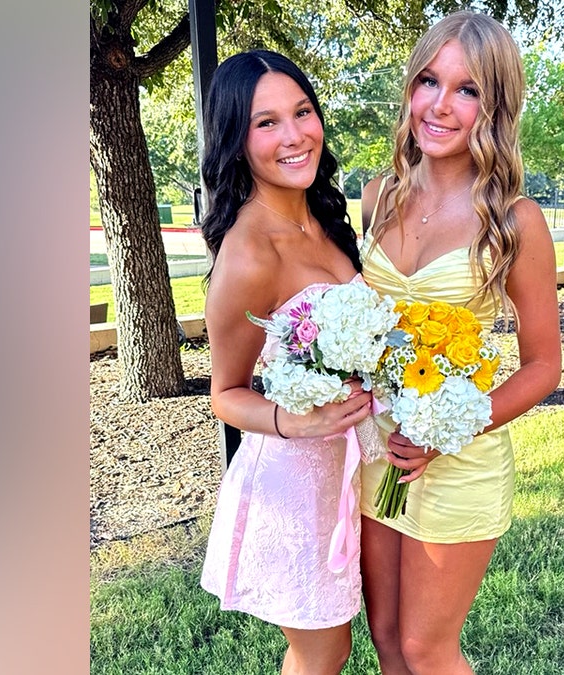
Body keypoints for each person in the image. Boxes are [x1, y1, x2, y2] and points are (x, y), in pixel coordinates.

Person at [357, 11, 562, 674]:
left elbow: (544, 366)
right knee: (386, 636)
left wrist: (447, 429)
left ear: (494, 107)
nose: (440, 105)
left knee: (426, 647)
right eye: (429, 81)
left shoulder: (514, 221)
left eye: (467, 89)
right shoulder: (378, 197)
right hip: (378, 449)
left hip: (460, 456)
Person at [197, 49, 374, 675]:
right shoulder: (249, 253)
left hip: (352, 470)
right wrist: (295, 421)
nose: (295, 135)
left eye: (302, 112)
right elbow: (225, 393)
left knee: (338, 646)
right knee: (323, 653)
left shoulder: (323, 217)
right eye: (266, 123)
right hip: (294, 483)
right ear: (235, 140)